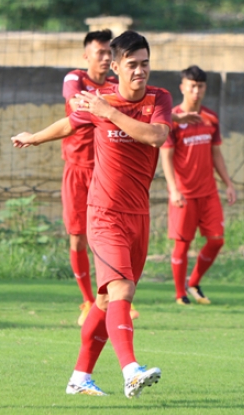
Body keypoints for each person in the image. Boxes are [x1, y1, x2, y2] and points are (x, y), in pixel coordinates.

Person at [12, 31, 170, 398]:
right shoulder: (98, 100)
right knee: (121, 290)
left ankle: (79, 377)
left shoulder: (158, 98)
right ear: (115, 67)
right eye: (132, 65)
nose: (140, 71)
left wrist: (109, 113)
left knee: (103, 301)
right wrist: (34, 137)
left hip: (139, 214)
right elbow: (71, 122)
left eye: (145, 63)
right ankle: (131, 371)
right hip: (104, 213)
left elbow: (156, 136)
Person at [160, 65, 236, 305]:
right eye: (192, 86)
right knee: (182, 244)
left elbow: (216, 155)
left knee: (217, 240)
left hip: (209, 192)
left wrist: (228, 183)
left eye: (200, 86)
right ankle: (180, 294)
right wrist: (173, 189)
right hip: (184, 193)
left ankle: (193, 282)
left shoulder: (211, 118)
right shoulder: (172, 119)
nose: (196, 91)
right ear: (183, 87)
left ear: (204, 88)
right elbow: (167, 157)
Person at [60, 30, 118, 326]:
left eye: (110, 53)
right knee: (78, 237)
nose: (106, 58)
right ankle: (87, 300)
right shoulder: (75, 79)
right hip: (76, 170)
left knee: (106, 236)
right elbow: (73, 103)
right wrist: (102, 106)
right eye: (101, 53)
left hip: (105, 172)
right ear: (87, 55)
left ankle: (110, 298)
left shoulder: (114, 86)